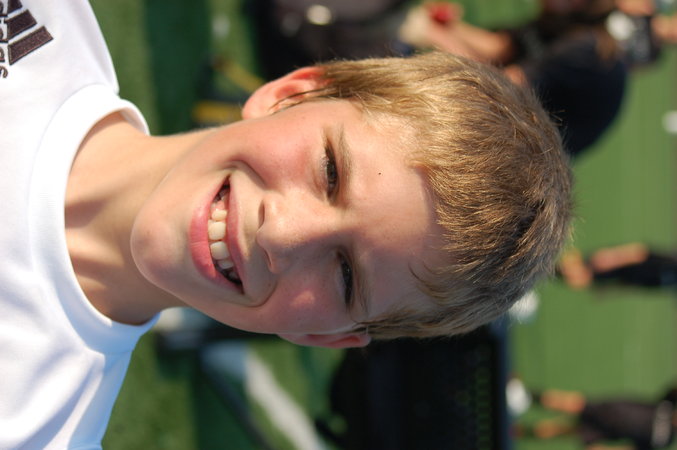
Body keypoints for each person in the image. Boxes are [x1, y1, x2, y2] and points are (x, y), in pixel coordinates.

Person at [0, 0, 572, 448]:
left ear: (324, 336)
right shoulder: (43, 17)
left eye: (345, 275)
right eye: (330, 171)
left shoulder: (39, 431)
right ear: (291, 94)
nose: (283, 234)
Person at [400, 0, 628, 157]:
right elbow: (499, 47)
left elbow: (496, 86)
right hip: (505, 117)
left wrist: (432, 34)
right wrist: (447, 26)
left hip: (518, 153)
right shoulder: (559, 19)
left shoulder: (586, 50)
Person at [517, 385, 677, 449]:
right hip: (613, 410)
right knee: (572, 403)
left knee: (566, 430)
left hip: (607, 432)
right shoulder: (670, 404)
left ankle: (520, 431)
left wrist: (605, 449)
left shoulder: (665, 439)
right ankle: (527, 396)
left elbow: (633, 448)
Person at [558, 242, 677, 290]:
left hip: (623, 273)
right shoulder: (670, 264)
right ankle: (556, 264)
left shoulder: (670, 280)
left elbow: (637, 284)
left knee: (584, 274)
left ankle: (557, 267)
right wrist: (613, 257)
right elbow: (640, 253)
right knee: (585, 272)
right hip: (621, 265)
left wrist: (612, 287)